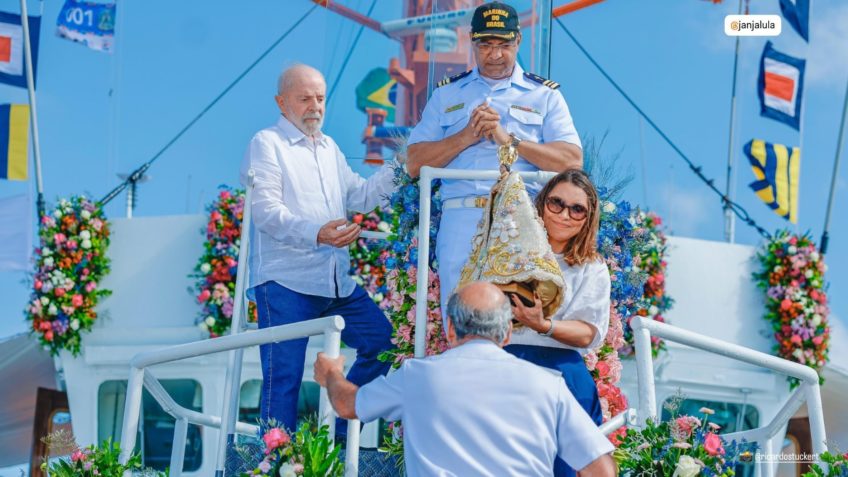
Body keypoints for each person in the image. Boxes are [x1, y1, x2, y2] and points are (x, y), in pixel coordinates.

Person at [314, 282, 616, 477]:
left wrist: (331, 374)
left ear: (449, 328)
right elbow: (601, 469)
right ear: (507, 333)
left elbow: (348, 404)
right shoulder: (549, 385)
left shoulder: (417, 376)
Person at [239, 63, 395, 435]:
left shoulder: (329, 148)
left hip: (335, 282)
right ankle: (276, 466)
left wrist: (403, 165)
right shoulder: (266, 143)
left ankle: (342, 438)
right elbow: (265, 212)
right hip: (285, 281)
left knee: (383, 343)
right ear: (282, 102)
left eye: (320, 98)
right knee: (284, 381)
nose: (314, 106)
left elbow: (361, 195)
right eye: (304, 97)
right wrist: (318, 234)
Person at [405, 1, 583, 315]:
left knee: (517, 317)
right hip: (461, 216)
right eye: (486, 44)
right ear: (472, 40)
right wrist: (466, 136)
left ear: (518, 42)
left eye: (504, 44)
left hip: (520, 218)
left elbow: (571, 161)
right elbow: (414, 162)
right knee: (458, 313)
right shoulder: (446, 94)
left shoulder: (544, 95)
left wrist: (509, 139)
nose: (495, 54)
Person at [507, 169, 611, 477]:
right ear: (541, 204)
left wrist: (543, 325)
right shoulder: (510, 251)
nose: (565, 214)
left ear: (588, 218)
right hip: (507, 357)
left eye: (577, 209)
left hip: (563, 367)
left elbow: (589, 332)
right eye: (557, 203)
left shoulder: (592, 267)